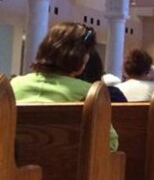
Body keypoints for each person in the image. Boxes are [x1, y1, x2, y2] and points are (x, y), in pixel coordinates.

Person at [11, 22, 118, 151]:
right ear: (83, 59)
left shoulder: (13, 85)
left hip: (12, 168)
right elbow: (110, 144)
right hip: (68, 169)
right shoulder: (90, 93)